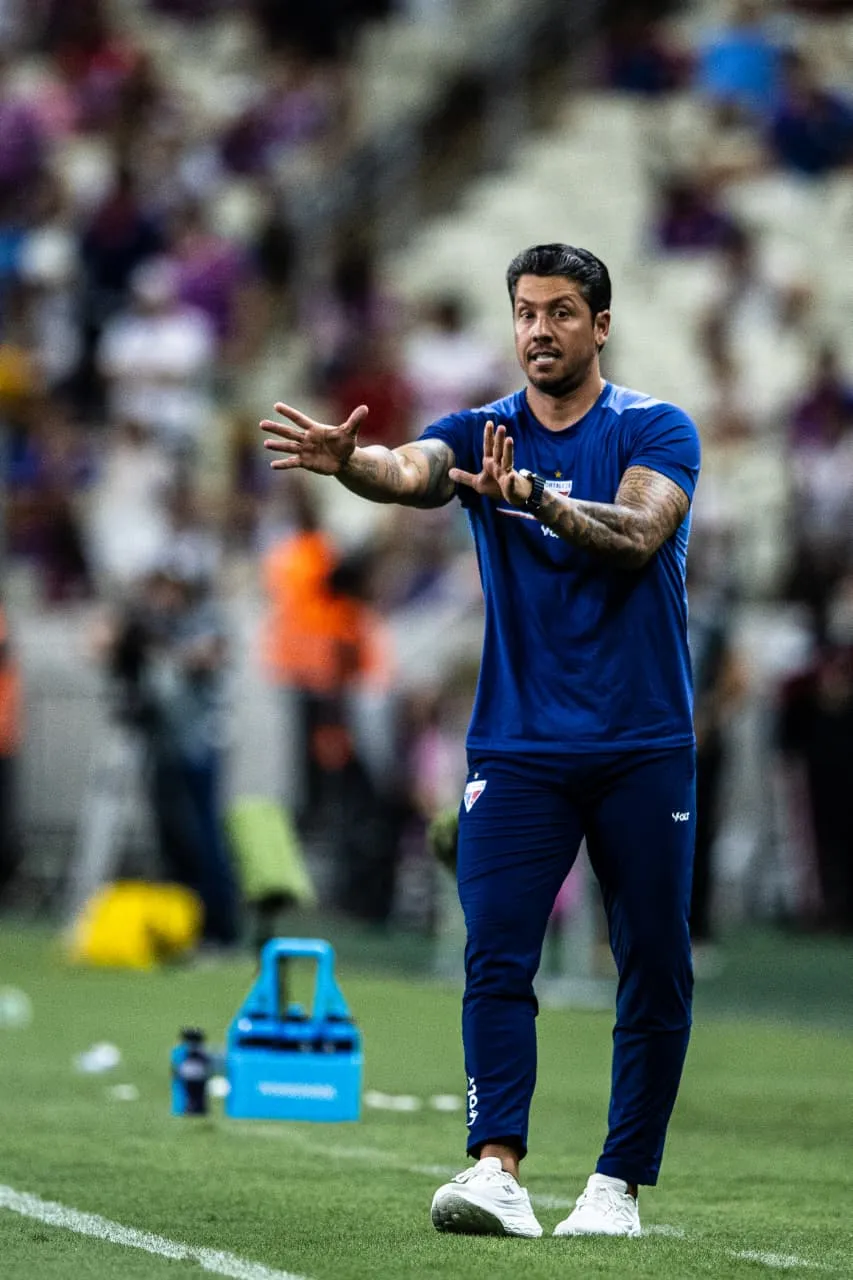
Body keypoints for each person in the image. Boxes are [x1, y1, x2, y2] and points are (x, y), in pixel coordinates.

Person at [261, 243, 700, 1240]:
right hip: (517, 747)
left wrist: (541, 500)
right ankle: (495, 1166)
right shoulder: (480, 430)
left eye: (559, 312)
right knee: (494, 953)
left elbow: (637, 535)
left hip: (642, 742)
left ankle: (616, 1184)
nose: (538, 329)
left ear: (599, 324)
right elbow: (414, 468)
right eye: (524, 312)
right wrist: (352, 466)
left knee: (654, 962)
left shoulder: (655, 428)